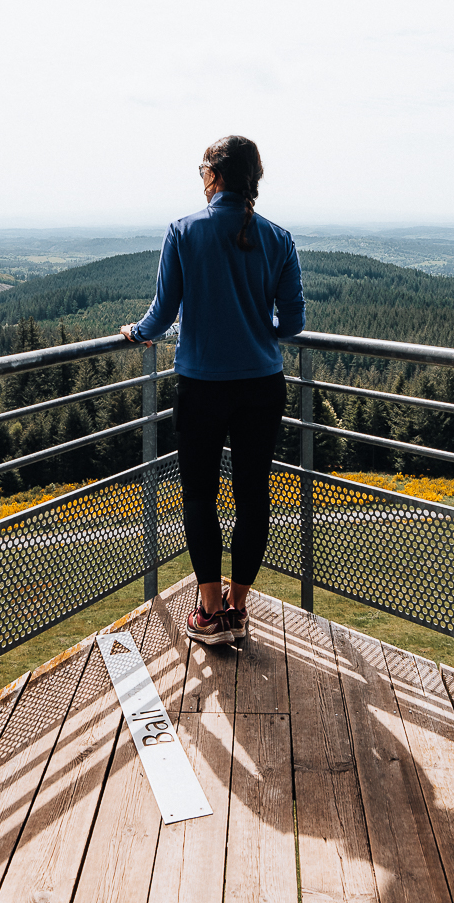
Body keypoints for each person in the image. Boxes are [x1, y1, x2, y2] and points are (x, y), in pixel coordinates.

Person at [123, 135, 304, 646]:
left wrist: (135, 334)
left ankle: (207, 613)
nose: (200, 176)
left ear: (215, 176)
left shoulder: (183, 232)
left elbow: (160, 316)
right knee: (253, 498)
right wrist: (252, 325)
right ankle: (238, 608)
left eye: (202, 168)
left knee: (200, 495)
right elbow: (291, 323)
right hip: (262, 385)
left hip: (202, 387)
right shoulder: (280, 238)